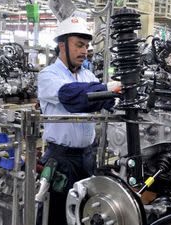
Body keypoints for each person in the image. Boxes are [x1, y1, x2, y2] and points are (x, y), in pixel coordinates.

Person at [37, 16, 120, 225]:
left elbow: (104, 102)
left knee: (84, 212)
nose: (84, 51)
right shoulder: (48, 75)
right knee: (55, 214)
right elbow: (72, 97)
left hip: (87, 157)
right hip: (62, 160)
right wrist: (107, 89)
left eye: (86, 46)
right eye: (79, 45)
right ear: (62, 45)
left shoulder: (88, 76)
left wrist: (122, 95)